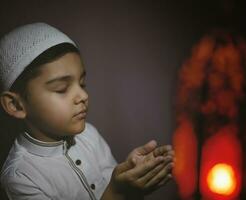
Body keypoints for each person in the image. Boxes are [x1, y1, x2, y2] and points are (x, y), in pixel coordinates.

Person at [0, 22, 174, 200]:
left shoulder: (89, 134)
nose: (83, 95)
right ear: (16, 105)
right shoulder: (20, 177)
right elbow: (115, 192)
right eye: (61, 88)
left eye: (82, 83)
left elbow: (113, 181)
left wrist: (131, 177)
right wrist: (117, 192)